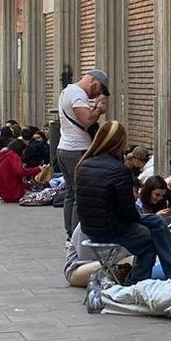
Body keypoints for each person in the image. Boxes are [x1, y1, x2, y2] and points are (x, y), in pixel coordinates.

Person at [74, 121, 171, 282]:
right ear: (120, 143)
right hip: (111, 227)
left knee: (156, 221)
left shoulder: (83, 165)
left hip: (91, 226)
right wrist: (139, 220)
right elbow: (127, 211)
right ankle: (136, 284)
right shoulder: (119, 170)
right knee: (149, 239)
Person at [56, 68, 108, 237]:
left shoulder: (68, 91)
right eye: (99, 89)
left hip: (64, 148)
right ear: (94, 82)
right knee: (81, 195)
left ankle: (70, 235)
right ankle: (78, 236)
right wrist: (99, 109)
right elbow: (86, 121)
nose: (98, 94)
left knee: (71, 194)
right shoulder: (78, 94)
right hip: (77, 150)